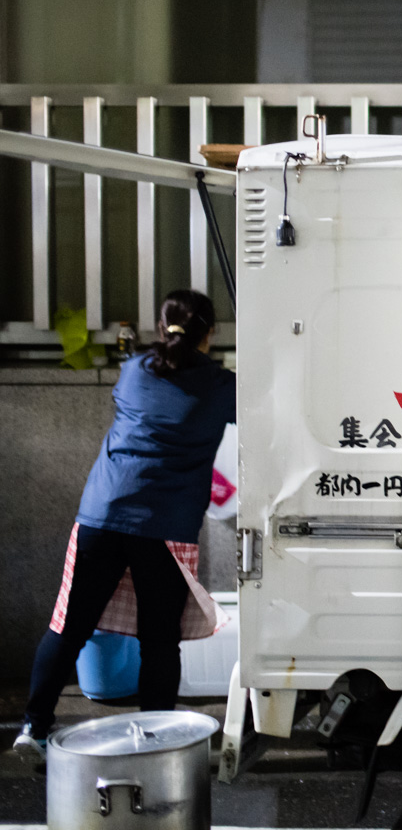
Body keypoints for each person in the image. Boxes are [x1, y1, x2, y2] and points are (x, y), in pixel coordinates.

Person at [13, 289, 236, 764]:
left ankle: (33, 729)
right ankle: (155, 741)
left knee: (69, 627)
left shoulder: (134, 371)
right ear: (210, 332)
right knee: (159, 640)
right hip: (166, 528)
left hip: (103, 514)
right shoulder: (222, 387)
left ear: (161, 327)